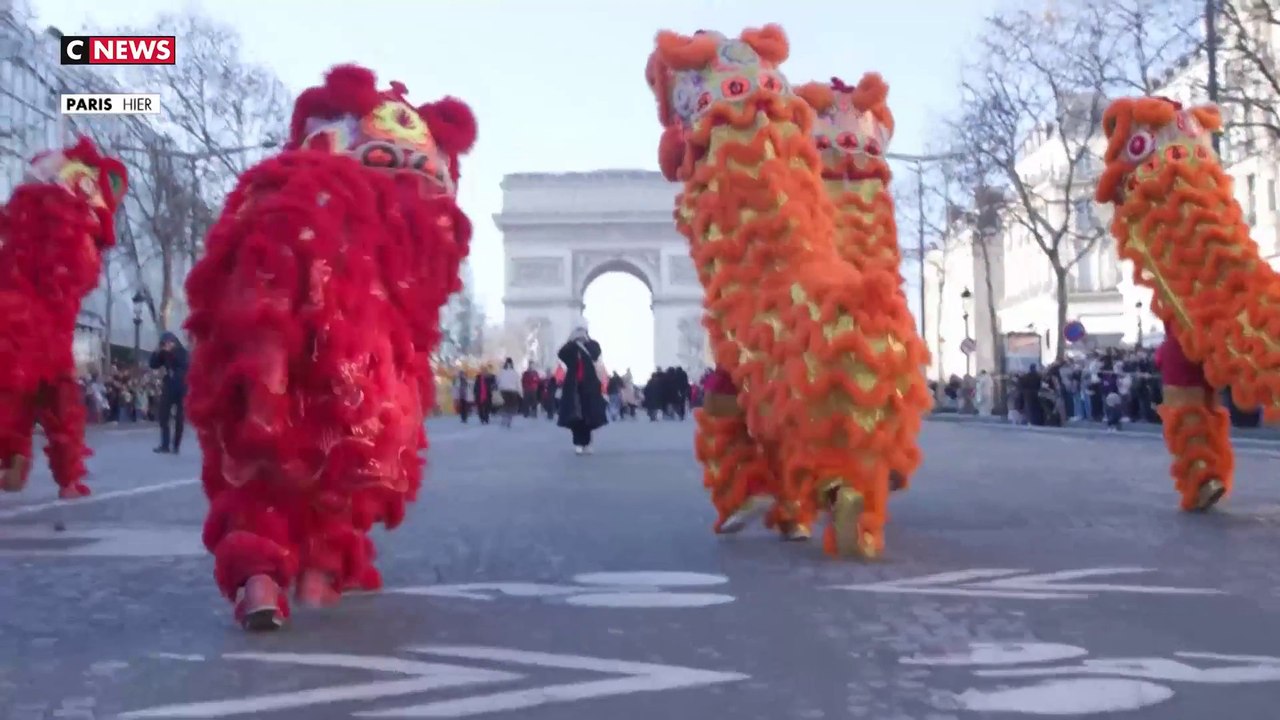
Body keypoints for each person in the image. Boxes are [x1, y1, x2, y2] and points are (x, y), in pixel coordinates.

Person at [557, 325, 608, 453]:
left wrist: (587, 340)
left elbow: (596, 353)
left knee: (588, 417)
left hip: (589, 387)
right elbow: (561, 354)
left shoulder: (590, 347)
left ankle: (587, 443)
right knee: (575, 418)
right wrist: (572, 341)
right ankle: (578, 443)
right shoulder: (571, 349)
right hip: (573, 388)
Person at [148, 331, 188, 454]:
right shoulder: (164, 353)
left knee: (179, 418)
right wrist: (156, 352)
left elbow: (184, 366)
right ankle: (165, 445)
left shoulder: (182, 352)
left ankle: (176, 445)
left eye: (169, 342)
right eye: (164, 343)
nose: (167, 345)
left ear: (174, 342)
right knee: (163, 415)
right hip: (169, 386)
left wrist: (171, 353)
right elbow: (153, 364)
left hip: (182, 387)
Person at [496, 358, 521, 428]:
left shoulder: (501, 372)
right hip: (513, 391)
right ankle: (509, 420)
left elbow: (497, 381)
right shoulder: (515, 372)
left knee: (505, 405)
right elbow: (518, 383)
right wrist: (520, 392)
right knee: (511, 406)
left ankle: (504, 419)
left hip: (504, 390)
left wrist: (498, 388)